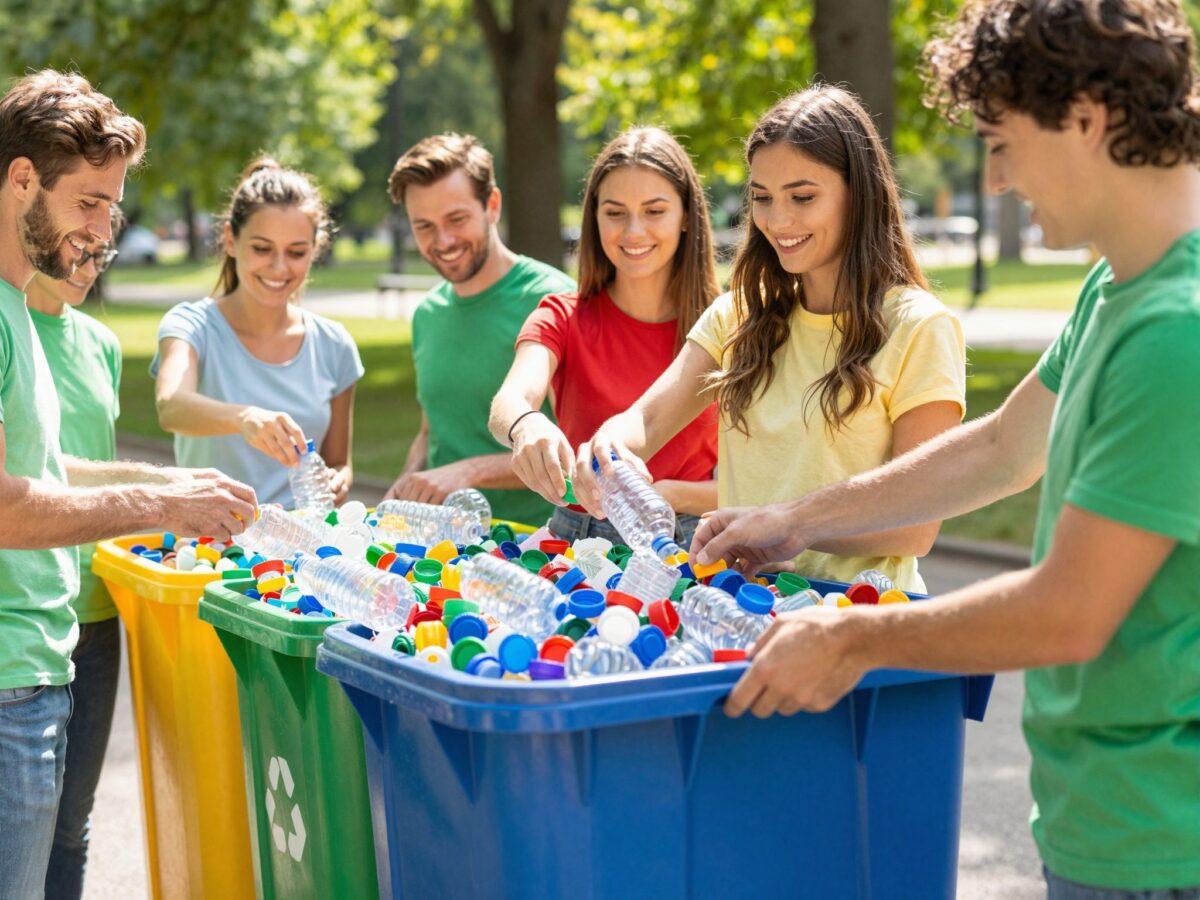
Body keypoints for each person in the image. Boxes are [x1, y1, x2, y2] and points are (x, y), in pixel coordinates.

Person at [690, 2, 1200, 895]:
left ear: (1085, 118)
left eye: (1001, 142)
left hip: (1164, 834)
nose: (996, 178)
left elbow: (1070, 611)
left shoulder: (1175, 330)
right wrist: (791, 520)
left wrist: (854, 641)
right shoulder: (1115, 290)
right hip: (1106, 817)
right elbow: (1001, 448)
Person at [0, 69, 256, 898]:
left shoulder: (18, 311)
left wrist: (167, 482)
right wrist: (159, 504)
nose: (104, 226)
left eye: (113, 205)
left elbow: (36, 467)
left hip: (33, 674)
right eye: (88, 202)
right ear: (21, 180)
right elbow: (7, 508)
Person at [576, 87, 966, 590]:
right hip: (740, 606)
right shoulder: (741, 312)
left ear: (859, 193)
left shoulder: (919, 327)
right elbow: (645, 420)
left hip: (856, 616)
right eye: (762, 198)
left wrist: (787, 524)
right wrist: (610, 445)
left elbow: (915, 523)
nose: (778, 221)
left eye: (803, 197)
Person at [489, 126, 720, 545]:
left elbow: (757, 485)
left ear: (686, 216)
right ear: (593, 218)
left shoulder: (724, 327)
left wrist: (667, 496)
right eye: (615, 212)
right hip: (579, 539)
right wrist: (525, 425)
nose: (633, 231)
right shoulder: (560, 315)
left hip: (691, 540)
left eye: (654, 211)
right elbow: (510, 400)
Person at [384, 133, 574, 527]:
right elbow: (432, 430)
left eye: (456, 219)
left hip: (536, 548)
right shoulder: (428, 313)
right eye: (424, 226)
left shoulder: (554, 299)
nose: (444, 241)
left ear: (492, 205)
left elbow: (577, 448)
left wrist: (467, 472)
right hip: (440, 549)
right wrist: (406, 481)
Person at [153, 158, 364, 507]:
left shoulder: (334, 344)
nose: (279, 268)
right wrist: (245, 418)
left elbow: (340, 462)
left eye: (297, 252)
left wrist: (338, 479)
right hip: (212, 546)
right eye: (262, 249)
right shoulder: (190, 326)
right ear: (231, 241)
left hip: (302, 550)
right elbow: (171, 406)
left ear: (316, 250)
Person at [24, 203, 124, 899]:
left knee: (72, 824)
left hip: (97, 613)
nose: (87, 269)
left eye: (100, 257)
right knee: (23, 827)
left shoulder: (102, 344)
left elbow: (97, 467)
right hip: (30, 611)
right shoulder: (10, 324)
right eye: (78, 253)